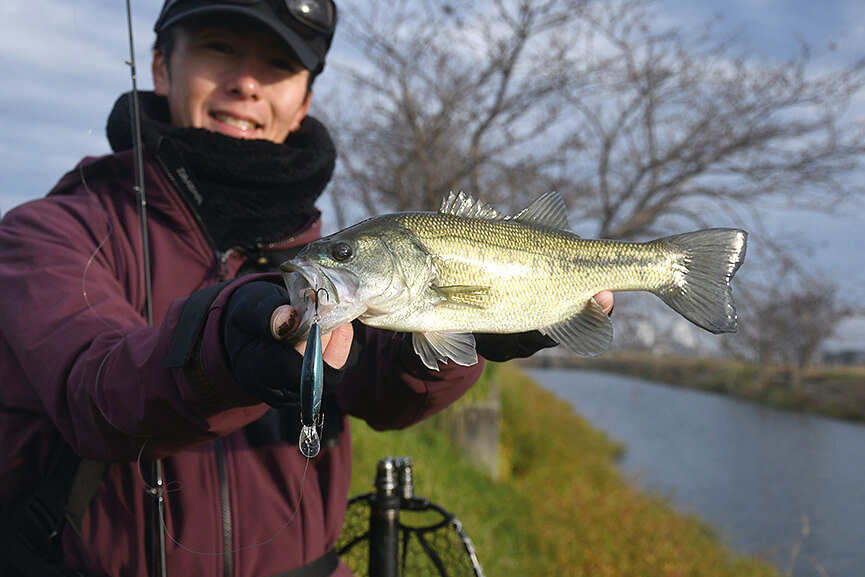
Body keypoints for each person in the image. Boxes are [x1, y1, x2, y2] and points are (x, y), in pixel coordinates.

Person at [0, 1, 613, 576]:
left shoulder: (326, 252)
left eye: (278, 64)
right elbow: (91, 389)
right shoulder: (49, 232)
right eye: (219, 48)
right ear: (161, 67)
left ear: (303, 102)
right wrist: (226, 350)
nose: (247, 83)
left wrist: (454, 337)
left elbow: (387, 396)